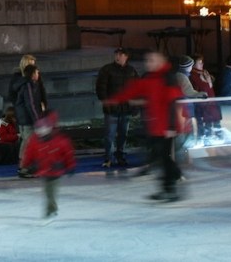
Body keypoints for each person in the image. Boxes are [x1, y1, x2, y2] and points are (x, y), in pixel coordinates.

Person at [106, 50, 186, 202]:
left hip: (166, 127)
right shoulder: (150, 78)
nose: (148, 63)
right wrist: (116, 99)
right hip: (156, 125)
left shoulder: (167, 78)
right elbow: (135, 90)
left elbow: (172, 103)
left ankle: (170, 188)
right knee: (161, 156)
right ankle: (172, 178)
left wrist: (170, 127)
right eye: (147, 61)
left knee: (163, 157)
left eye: (152, 60)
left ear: (161, 62)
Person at [20, 110, 76, 222]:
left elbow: (68, 153)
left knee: (51, 192)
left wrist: (70, 166)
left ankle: (50, 211)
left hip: (56, 171)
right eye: (39, 128)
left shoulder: (60, 140)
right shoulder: (34, 140)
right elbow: (29, 153)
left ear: (50, 127)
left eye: (43, 128)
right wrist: (25, 165)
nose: (41, 131)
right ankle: (51, 209)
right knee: (47, 192)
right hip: (44, 170)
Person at [95, 47, 139, 168]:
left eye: (120, 54)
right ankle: (108, 158)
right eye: (117, 54)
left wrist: (134, 106)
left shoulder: (131, 71)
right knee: (110, 135)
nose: (118, 56)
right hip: (112, 109)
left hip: (125, 109)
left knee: (123, 135)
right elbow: (101, 88)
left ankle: (120, 156)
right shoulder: (107, 70)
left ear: (126, 56)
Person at [14, 64, 46, 176]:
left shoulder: (24, 84)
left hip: (23, 118)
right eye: (37, 72)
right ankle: (24, 167)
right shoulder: (28, 86)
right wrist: (37, 119)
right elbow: (31, 104)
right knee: (28, 143)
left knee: (27, 142)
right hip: (28, 119)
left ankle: (26, 166)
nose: (38, 74)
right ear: (32, 74)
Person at [189, 55, 223, 143]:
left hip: (212, 104)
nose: (202, 64)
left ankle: (219, 141)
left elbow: (210, 88)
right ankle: (205, 143)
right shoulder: (192, 76)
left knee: (216, 125)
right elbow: (197, 91)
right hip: (203, 107)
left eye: (202, 62)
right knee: (205, 128)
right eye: (199, 62)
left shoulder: (205, 73)